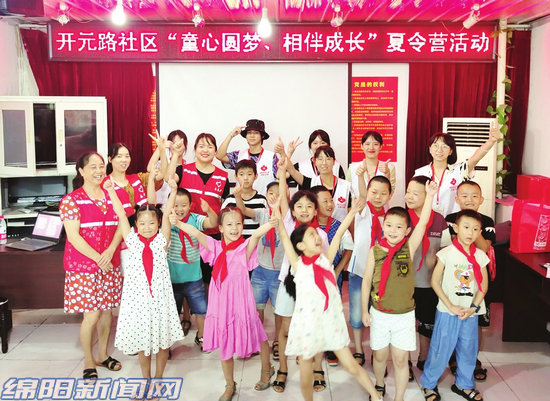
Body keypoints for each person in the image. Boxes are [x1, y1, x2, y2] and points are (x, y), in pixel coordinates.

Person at [273, 196, 382, 401]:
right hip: (307, 326)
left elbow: (339, 234)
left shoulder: (326, 260)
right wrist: (276, 213)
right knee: (305, 375)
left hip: (330, 324)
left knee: (351, 366)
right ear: (300, 246)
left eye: (316, 234)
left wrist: (352, 212)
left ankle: (376, 396)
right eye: (311, 235)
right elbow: (284, 237)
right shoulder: (298, 266)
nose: (317, 237)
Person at [173, 206, 277, 401]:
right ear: (220, 228)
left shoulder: (244, 248)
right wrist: (178, 223)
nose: (234, 228)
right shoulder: (215, 247)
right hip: (221, 302)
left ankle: (266, 369)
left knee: (258, 335)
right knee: (225, 339)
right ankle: (230, 384)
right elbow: (196, 232)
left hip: (242, 300)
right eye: (229, 224)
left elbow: (256, 235)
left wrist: (272, 221)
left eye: (238, 223)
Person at [361, 182, 438, 401]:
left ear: (407, 231)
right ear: (383, 226)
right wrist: (365, 311)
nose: (392, 231)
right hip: (379, 313)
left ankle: (399, 397)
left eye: (398, 227)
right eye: (389, 225)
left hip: (404, 315)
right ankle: (379, 385)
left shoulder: (408, 248)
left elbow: (423, 222)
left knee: (401, 359)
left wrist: (430, 196)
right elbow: (366, 282)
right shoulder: (375, 251)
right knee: (379, 357)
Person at [104, 178, 184, 383]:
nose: (147, 227)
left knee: (163, 343)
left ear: (158, 223)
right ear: (136, 225)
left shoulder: (162, 240)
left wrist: (173, 190)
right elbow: (121, 214)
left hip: (160, 300)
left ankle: (158, 378)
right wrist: (111, 191)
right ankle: (146, 379)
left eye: (151, 223)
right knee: (142, 343)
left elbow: (168, 211)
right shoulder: (131, 240)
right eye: (142, 223)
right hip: (139, 302)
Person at [59, 152, 122, 380]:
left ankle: (103, 355)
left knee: (107, 313)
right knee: (92, 316)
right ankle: (88, 360)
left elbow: (121, 225)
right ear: (81, 171)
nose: (99, 171)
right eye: (93, 167)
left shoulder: (112, 194)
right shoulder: (71, 200)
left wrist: (110, 251)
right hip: (84, 268)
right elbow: (73, 237)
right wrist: (98, 258)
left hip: (109, 264)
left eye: (101, 166)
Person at [420, 209, 489, 401]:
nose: (470, 233)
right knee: (440, 348)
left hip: (469, 313)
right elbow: (435, 282)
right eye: (466, 227)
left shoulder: (480, 256)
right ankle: (429, 384)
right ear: (456, 228)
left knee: (468, 349)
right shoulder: (446, 254)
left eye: (475, 229)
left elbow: (483, 285)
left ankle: (464, 385)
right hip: (447, 311)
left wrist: (474, 307)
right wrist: (450, 305)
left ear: (480, 232)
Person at [272, 157, 328, 393]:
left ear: (315, 210)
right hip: (287, 284)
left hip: (312, 288)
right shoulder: (288, 224)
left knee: (314, 328)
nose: (304, 210)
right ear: (293, 211)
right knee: (285, 328)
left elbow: (323, 264)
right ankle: (283, 368)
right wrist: (282, 171)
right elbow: (283, 199)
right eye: (299, 207)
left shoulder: (320, 235)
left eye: (309, 206)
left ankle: (317, 367)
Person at [445, 180, 496, 382]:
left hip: (479, 280)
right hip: (456, 278)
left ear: (481, 199)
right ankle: (454, 358)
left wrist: (474, 227)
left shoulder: (488, 221)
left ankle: (472, 359)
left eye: (474, 196)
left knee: (476, 321)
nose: (469, 200)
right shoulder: (450, 220)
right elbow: (457, 246)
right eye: (464, 196)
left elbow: (483, 248)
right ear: (457, 199)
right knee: (454, 316)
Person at [166, 133, 230, 287]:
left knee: (210, 278)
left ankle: (208, 303)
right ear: (195, 150)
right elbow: (169, 178)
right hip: (184, 234)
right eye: (201, 146)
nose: (205, 150)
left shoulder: (223, 176)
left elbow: (224, 207)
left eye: (210, 146)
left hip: (211, 235)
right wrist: (175, 154)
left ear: (215, 151)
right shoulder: (183, 170)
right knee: (184, 278)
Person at [233, 181, 285, 362]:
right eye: (271, 193)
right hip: (260, 271)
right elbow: (243, 210)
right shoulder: (262, 213)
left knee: (279, 311)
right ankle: (256, 340)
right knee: (256, 309)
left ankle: (277, 341)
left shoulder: (289, 217)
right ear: (266, 195)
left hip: (279, 273)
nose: (274, 196)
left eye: (279, 193)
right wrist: (238, 196)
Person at [348, 165, 392, 368]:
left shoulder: (390, 217)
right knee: (357, 313)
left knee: (378, 314)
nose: (378, 197)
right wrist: (359, 177)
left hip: (381, 275)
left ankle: (377, 351)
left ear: (389, 195)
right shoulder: (362, 210)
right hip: (359, 271)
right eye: (374, 192)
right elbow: (363, 195)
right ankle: (358, 349)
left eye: (383, 193)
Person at [166, 183, 218, 352]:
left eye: (183, 205)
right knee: (171, 313)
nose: (179, 209)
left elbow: (213, 222)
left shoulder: (195, 219)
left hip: (194, 277)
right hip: (172, 278)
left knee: (201, 311)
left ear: (190, 205)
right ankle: (167, 344)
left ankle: (201, 336)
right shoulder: (166, 220)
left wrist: (209, 210)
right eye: (175, 205)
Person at [405, 176, 447, 379]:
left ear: (427, 195)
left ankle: (423, 358)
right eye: (408, 191)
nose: (409, 196)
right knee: (405, 325)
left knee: (426, 324)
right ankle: (404, 362)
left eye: (415, 193)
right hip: (404, 283)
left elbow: (447, 249)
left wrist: (437, 259)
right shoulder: (402, 217)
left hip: (429, 283)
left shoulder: (439, 220)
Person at [414, 122, 499, 217]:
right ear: (430, 149)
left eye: (445, 146)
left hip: (453, 220)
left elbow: (476, 158)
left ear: (450, 151)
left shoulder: (459, 170)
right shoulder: (420, 173)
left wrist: (491, 141)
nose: (439, 150)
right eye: (436, 145)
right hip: (427, 220)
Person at [310, 185, 353, 367]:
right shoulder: (307, 226)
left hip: (333, 278)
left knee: (331, 312)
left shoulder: (338, 225)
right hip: (311, 279)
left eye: (331, 200)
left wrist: (337, 271)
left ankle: (331, 348)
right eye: (325, 201)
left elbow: (349, 249)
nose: (330, 204)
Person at [285, 145, 352, 222]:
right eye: (320, 159)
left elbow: (351, 215)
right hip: (316, 229)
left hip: (342, 229)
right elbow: (292, 170)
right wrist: (287, 153)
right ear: (315, 162)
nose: (324, 163)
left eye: (328, 159)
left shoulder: (346, 186)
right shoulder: (311, 183)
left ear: (334, 161)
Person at [216, 119, 279, 195]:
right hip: (241, 201)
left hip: (265, 201)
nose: (252, 136)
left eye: (256, 133)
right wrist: (231, 135)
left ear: (262, 136)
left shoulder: (271, 157)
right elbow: (219, 156)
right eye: (249, 133)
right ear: (246, 136)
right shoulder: (238, 155)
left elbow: (281, 177)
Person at [222, 159, 268, 238]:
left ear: (256, 176)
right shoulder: (229, 199)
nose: (245, 178)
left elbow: (265, 223)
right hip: (234, 243)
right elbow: (222, 222)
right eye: (241, 174)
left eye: (249, 174)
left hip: (255, 243)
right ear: (236, 177)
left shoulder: (262, 200)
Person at [281, 129, 346, 182]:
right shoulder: (301, 166)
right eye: (315, 143)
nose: (319, 146)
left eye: (322, 143)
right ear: (310, 146)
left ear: (328, 145)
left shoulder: (336, 166)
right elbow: (280, 176)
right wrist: (289, 153)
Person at [347, 130, 396, 196]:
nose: (371, 147)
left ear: (381, 146)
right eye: (367, 144)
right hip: (359, 203)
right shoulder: (353, 168)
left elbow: (389, 194)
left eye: (375, 144)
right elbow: (348, 193)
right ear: (362, 146)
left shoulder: (389, 167)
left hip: (380, 203)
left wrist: (387, 174)